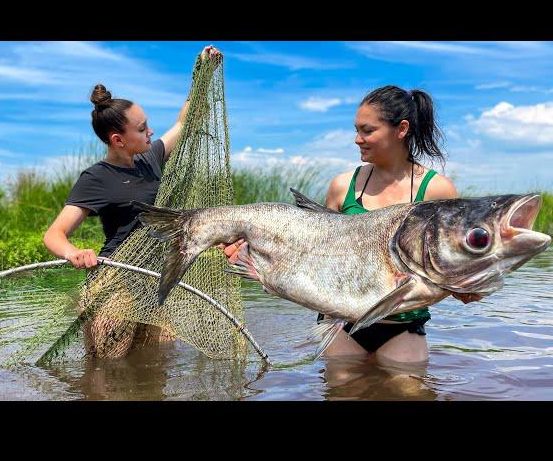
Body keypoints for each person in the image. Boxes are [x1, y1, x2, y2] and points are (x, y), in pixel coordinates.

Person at [222, 85, 481, 365]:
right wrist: (253, 257)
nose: (357, 139)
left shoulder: (437, 191)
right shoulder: (342, 186)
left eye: (367, 130)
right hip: (339, 325)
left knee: (410, 391)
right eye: (356, 130)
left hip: (403, 325)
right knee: (343, 390)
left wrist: (468, 284)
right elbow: (314, 257)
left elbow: (455, 273)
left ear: (401, 129)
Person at [43, 45, 222, 356]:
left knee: (155, 370)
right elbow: (54, 235)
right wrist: (74, 253)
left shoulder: (151, 159)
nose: (151, 132)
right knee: (104, 374)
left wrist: (203, 76)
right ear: (118, 139)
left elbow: (184, 123)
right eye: (142, 129)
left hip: (153, 282)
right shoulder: (96, 178)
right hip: (114, 285)